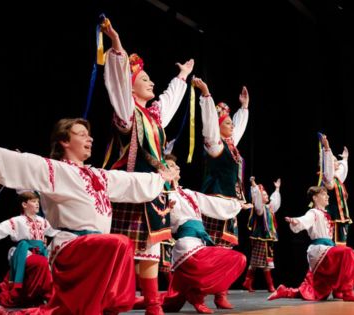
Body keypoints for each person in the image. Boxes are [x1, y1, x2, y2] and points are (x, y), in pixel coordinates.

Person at [0, 118, 177, 315]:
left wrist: (161, 178)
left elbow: (132, 182)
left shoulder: (99, 176)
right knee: (120, 242)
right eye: (82, 134)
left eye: (89, 135)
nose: (90, 138)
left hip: (97, 250)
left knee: (70, 310)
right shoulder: (54, 170)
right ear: (64, 141)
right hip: (73, 247)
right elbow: (20, 163)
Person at [102, 18, 194, 315]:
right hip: (131, 188)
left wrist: (182, 77)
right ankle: (114, 301)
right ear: (131, 87)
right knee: (126, 250)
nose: (151, 82)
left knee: (151, 248)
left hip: (154, 189)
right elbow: (116, 84)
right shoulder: (127, 113)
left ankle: (153, 305)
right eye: (145, 79)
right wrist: (117, 47)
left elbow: (168, 100)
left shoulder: (153, 116)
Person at [160, 154, 248, 314]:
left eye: (176, 165)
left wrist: (237, 204)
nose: (177, 167)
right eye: (172, 166)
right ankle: (196, 295)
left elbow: (212, 203)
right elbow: (169, 217)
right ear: (163, 170)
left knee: (171, 303)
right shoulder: (164, 194)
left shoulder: (188, 193)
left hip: (198, 244)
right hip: (186, 247)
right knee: (221, 264)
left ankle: (192, 293)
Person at [192, 77, 249, 309]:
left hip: (231, 206)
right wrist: (206, 95)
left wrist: (244, 108)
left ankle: (221, 293)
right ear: (218, 126)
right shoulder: (214, 145)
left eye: (232, 125)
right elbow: (210, 126)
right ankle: (198, 296)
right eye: (227, 124)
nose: (232, 127)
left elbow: (238, 127)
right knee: (211, 250)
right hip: (215, 204)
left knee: (226, 250)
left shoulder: (232, 147)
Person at [267, 186, 354, 302]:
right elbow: (305, 219)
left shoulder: (324, 214)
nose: (327, 196)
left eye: (327, 194)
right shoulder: (313, 212)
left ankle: (285, 291)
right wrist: (296, 220)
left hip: (326, 249)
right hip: (319, 250)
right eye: (324, 194)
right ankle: (347, 292)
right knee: (347, 252)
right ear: (315, 198)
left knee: (317, 292)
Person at [0, 191, 59, 308]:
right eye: (34, 201)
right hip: (23, 253)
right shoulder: (17, 221)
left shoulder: (42, 221)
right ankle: (49, 297)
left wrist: (77, 231)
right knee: (41, 262)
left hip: (39, 252)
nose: (37, 204)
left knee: (44, 265)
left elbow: (55, 231)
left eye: (38, 202)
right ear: (24, 204)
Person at [242, 176, 281, 293]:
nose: (267, 196)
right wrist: (254, 185)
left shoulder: (269, 208)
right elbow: (257, 199)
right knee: (262, 262)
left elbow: (276, 201)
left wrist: (277, 189)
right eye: (264, 195)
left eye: (266, 195)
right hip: (260, 237)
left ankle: (248, 282)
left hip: (267, 238)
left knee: (260, 262)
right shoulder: (259, 209)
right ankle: (269, 285)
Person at [318, 134, 351, 245]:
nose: (338, 163)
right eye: (334, 161)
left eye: (337, 161)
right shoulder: (328, 180)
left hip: (341, 219)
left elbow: (343, 168)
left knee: (341, 246)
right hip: (332, 218)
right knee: (333, 247)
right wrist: (327, 149)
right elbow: (328, 171)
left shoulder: (338, 178)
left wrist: (345, 158)